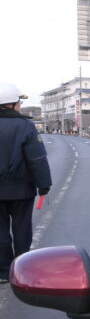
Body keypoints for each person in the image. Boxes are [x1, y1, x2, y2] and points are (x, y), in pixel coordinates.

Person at [0, 83, 52, 284]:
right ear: (11, 104)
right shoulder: (25, 126)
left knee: (1, 231)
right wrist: (44, 184)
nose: (20, 106)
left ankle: (3, 271)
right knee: (22, 229)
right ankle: (21, 269)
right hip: (21, 189)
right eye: (19, 102)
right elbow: (37, 158)